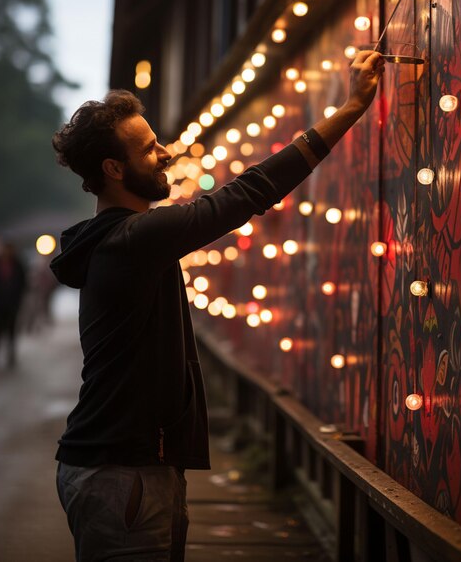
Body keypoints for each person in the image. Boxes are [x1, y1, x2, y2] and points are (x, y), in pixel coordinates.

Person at [50, 49, 384, 562]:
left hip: (121, 469)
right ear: (114, 168)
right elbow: (248, 193)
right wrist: (352, 106)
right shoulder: (136, 238)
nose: (165, 154)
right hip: (125, 476)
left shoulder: (115, 241)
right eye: (148, 149)